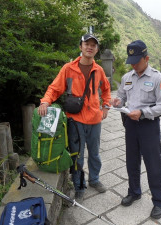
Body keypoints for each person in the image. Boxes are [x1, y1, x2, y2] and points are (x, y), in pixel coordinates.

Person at [38, 33, 111, 201]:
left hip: (94, 119)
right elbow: (54, 88)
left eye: (93, 45)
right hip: (75, 119)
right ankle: (79, 185)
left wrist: (106, 106)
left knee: (94, 153)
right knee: (76, 154)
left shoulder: (98, 70)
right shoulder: (68, 68)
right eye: (87, 44)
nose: (90, 47)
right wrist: (45, 102)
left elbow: (106, 90)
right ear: (81, 47)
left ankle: (94, 179)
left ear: (97, 49)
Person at [111, 40, 161, 219]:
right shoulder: (127, 77)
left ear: (147, 58)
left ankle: (159, 201)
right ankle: (134, 191)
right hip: (130, 125)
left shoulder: (157, 78)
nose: (134, 65)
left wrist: (143, 112)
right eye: (132, 61)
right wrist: (118, 102)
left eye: (137, 61)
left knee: (153, 164)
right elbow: (121, 96)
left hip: (148, 126)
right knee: (132, 161)